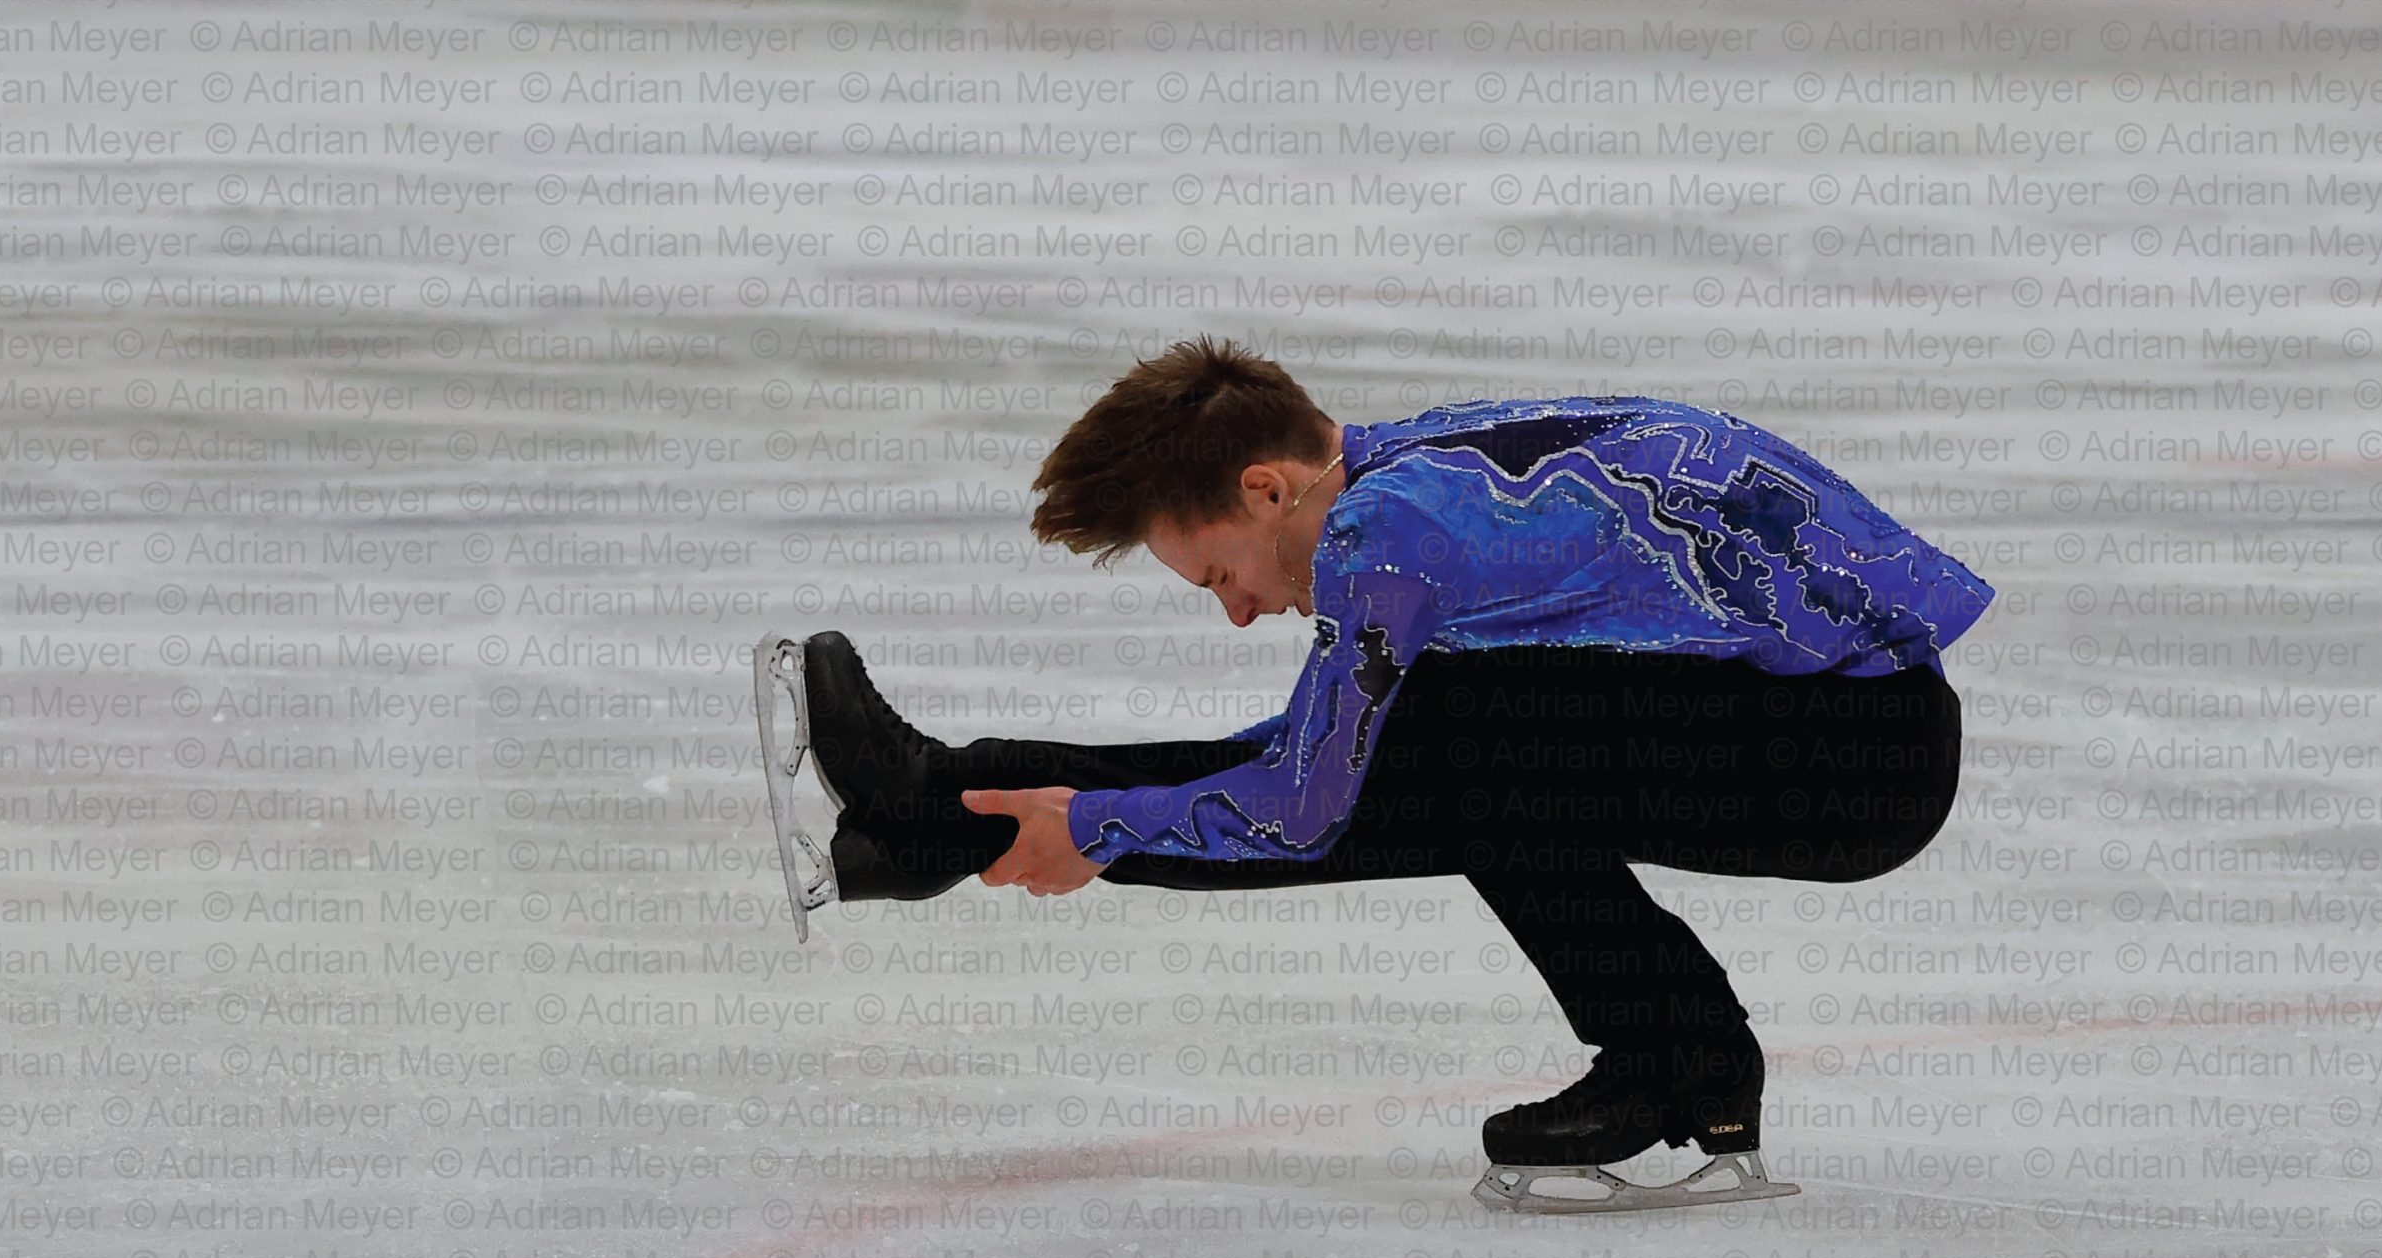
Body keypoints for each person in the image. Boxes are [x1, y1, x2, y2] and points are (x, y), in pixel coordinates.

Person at [765, 336, 1993, 1211]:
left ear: (1265, 486)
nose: (1239, 611)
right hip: (1833, 725)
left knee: (1450, 742)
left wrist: (1097, 829)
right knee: (1438, 745)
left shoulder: (1384, 530)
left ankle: (1679, 1055)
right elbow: (1316, 776)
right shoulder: (1405, 475)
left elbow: (1304, 809)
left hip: (1853, 757)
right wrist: (1087, 820)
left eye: (1217, 575)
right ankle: (930, 814)